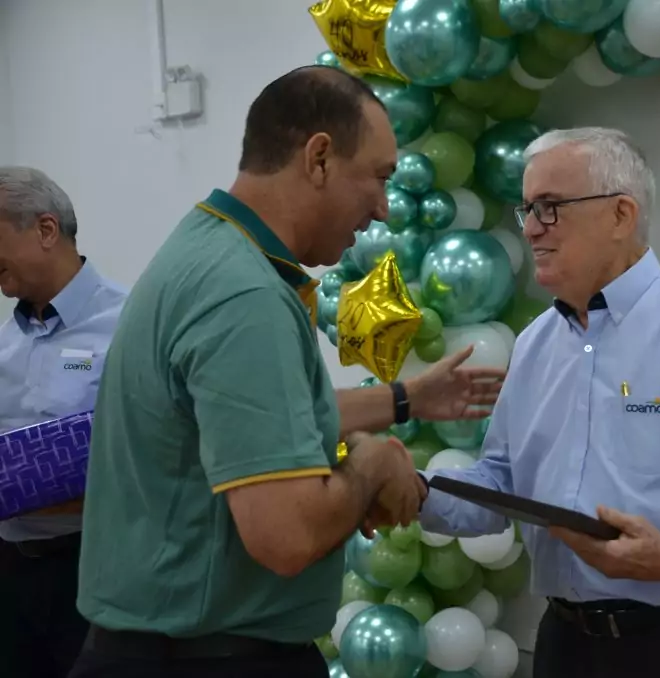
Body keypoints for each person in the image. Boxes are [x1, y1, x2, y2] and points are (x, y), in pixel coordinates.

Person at [70, 66, 503, 678]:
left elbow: (261, 419)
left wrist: (406, 399)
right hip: (209, 655)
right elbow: (287, 537)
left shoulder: (208, 251)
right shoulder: (242, 295)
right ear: (319, 158)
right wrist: (376, 462)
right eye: (377, 178)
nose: (382, 209)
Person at [416, 127, 660, 678]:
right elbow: (503, 484)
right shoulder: (533, 345)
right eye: (527, 209)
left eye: (550, 207)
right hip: (566, 645)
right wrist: (416, 493)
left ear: (621, 214)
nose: (531, 229)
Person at [0, 167, 127, 678]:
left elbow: (154, 454)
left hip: (92, 571)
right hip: (10, 575)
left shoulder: (130, 325)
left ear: (46, 230)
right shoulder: (4, 343)